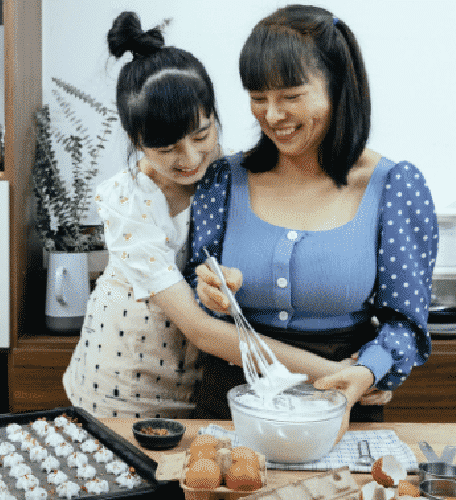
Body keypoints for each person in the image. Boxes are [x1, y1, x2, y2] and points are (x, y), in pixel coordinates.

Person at [63, 10, 362, 419]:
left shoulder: (231, 179)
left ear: (214, 115)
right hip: (118, 386)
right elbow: (201, 330)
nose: (189, 159)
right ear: (137, 143)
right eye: (166, 149)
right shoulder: (127, 202)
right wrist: (334, 373)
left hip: (197, 390)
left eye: (202, 135)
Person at [187, 4, 439, 435]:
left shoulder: (394, 186)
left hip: (342, 401)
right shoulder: (224, 180)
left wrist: (368, 372)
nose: (271, 115)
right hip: (230, 403)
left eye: (290, 96)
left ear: (338, 87)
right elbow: (194, 280)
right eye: (258, 97)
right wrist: (206, 287)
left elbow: (406, 324)